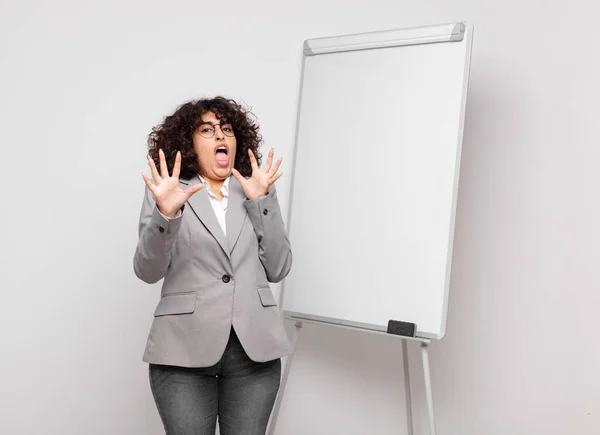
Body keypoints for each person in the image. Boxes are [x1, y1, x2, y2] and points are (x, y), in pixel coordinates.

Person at [133, 96, 293, 435]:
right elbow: (147, 270)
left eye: (226, 129)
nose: (221, 136)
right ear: (188, 143)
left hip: (254, 354)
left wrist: (260, 203)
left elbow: (279, 268)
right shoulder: (168, 191)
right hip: (181, 353)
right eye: (207, 130)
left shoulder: (256, 189)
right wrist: (166, 213)